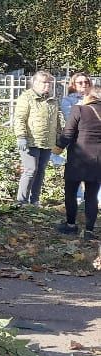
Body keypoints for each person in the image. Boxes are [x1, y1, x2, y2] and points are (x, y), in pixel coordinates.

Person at [57, 83, 101, 239]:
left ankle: (71, 225)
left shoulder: (79, 109)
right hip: (97, 161)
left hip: (78, 158)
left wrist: (58, 148)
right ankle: (89, 231)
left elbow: (68, 133)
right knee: (92, 195)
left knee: (70, 192)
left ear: (90, 96)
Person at [14, 71, 61, 205]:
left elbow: (56, 121)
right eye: (44, 82)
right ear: (35, 83)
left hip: (47, 141)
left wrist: (59, 137)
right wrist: (21, 136)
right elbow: (19, 118)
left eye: (49, 83)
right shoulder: (27, 97)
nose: (47, 85)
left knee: (40, 171)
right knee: (30, 170)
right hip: (30, 141)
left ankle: (34, 200)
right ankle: (21, 201)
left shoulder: (52, 99)